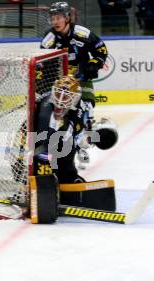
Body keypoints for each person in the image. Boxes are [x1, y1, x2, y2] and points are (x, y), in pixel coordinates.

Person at [40, 1, 108, 169]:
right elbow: (42, 64)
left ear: (67, 17)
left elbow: (101, 49)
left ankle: (81, 147)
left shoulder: (81, 33)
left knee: (86, 110)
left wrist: (94, 64)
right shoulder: (49, 39)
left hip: (82, 78)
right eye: (52, 18)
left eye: (58, 18)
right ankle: (53, 147)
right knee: (58, 115)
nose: (55, 22)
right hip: (61, 82)